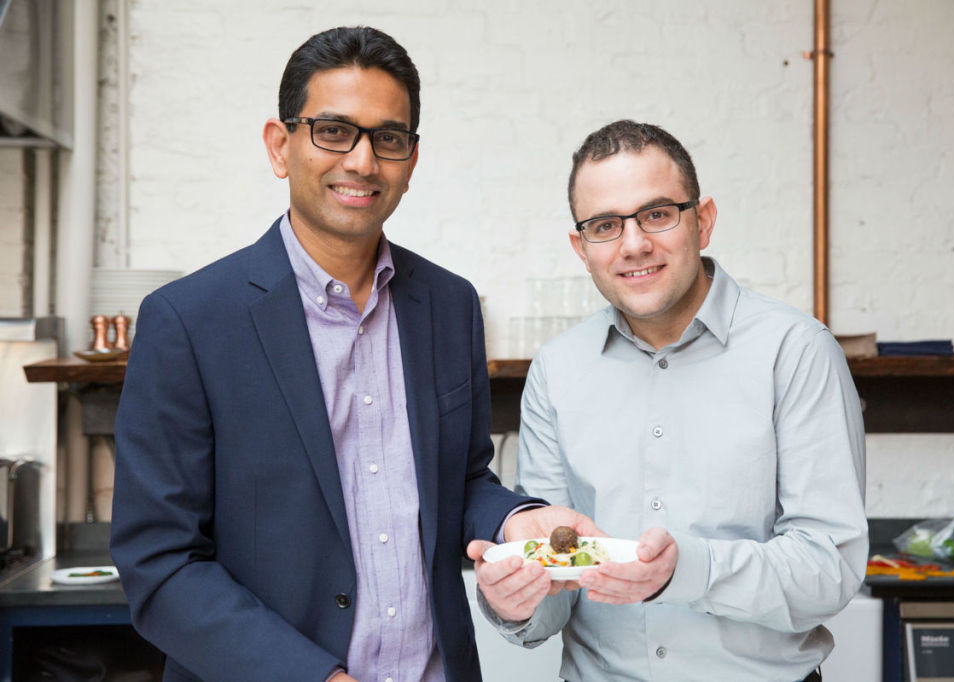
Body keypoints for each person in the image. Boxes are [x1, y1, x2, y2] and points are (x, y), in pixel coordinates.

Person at [110, 26, 593, 682]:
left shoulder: (449, 306)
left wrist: (519, 521)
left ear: (411, 161)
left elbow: (465, 479)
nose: (363, 161)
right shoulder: (189, 322)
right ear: (280, 147)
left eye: (388, 138)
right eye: (333, 130)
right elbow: (161, 566)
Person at [472, 120, 868, 681]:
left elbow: (829, 568)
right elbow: (557, 583)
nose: (634, 244)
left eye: (657, 214)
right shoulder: (557, 369)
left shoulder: (796, 352)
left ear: (702, 221)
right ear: (581, 248)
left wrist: (686, 570)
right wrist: (516, 600)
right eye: (605, 225)